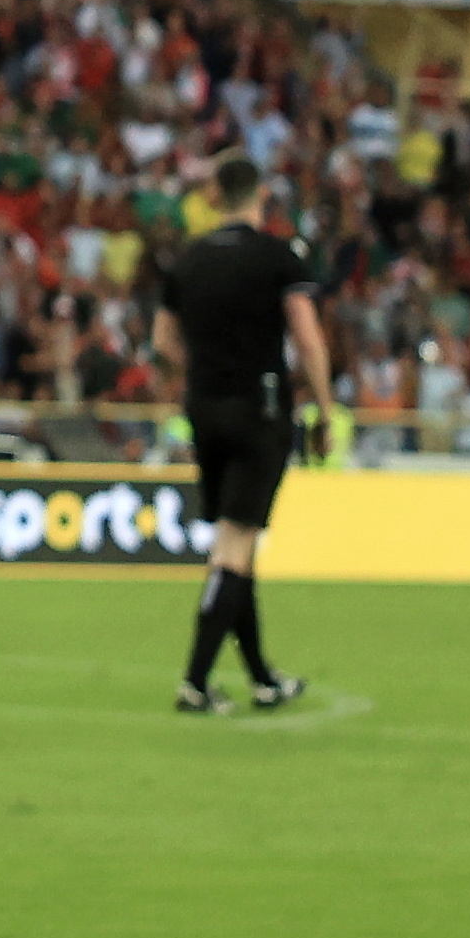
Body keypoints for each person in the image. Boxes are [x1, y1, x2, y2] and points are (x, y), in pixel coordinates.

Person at [153, 155, 335, 714]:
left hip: (204, 409)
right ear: (261, 196)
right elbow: (305, 334)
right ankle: (195, 681)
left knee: (240, 540)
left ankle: (261, 678)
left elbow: (162, 345)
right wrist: (325, 408)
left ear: (217, 197)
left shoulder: (189, 261)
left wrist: (201, 374)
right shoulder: (279, 256)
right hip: (260, 409)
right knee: (234, 544)